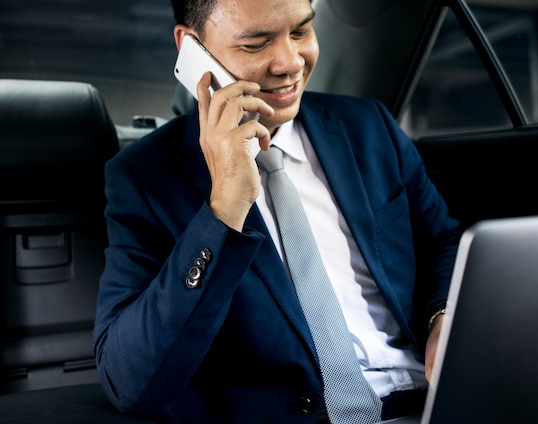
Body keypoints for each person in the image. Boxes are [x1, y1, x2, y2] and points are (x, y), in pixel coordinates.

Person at [93, 0, 462, 422]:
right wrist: (222, 212)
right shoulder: (146, 179)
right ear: (191, 47)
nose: (289, 63)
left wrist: (443, 316)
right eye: (255, 44)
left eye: (302, 32)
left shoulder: (368, 126)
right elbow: (129, 383)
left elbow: (442, 242)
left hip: (436, 400)